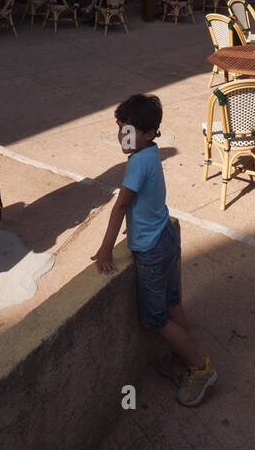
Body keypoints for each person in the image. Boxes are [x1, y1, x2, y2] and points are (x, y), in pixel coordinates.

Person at [92, 93, 217, 407]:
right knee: (173, 301)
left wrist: (106, 249)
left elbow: (120, 207)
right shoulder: (151, 153)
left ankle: (200, 368)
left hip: (151, 250)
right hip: (165, 237)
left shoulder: (137, 164)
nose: (123, 136)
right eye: (121, 129)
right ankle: (182, 359)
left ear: (149, 134)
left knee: (156, 320)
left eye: (130, 131)